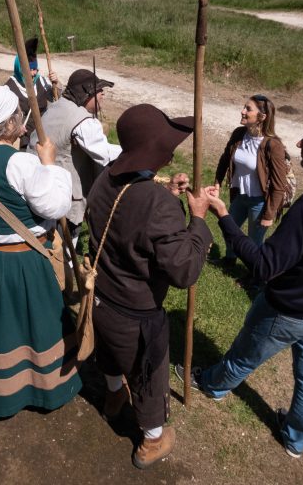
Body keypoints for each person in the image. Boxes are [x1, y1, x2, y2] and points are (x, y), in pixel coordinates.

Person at [179, 100, 303, 459]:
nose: (299, 146)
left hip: (288, 309)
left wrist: (223, 215)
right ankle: (297, 439)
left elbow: (263, 266)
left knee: (242, 357)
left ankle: (211, 384)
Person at [87, 104, 212, 470]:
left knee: (110, 356)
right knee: (148, 375)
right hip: (136, 313)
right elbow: (184, 270)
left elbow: (133, 225)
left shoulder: (105, 178)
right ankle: (151, 442)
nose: (170, 151)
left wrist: (169, 195)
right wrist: (199, 221)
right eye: (165, 145)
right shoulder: (156, 203)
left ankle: (113, 398)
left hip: (103, 300)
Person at [0, 85, 81, 417]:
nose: (23, 122)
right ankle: (36, 388)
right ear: (10, 125)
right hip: (18, 264)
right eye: (19, 117)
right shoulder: (19, 164)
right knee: (31, 325)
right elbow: (55, 205)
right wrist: (50, 165)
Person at [30, 68, 122, 248]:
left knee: (46, 237)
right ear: (87, 93)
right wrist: (135, 150)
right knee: (64, 246)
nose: (102, 94)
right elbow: (104, 154)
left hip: (36, 179)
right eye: (98, 91)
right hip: (61, 189)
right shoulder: (81, 120)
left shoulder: (58, 105)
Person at [212, 94, 289, 268]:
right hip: (240, 196)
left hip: (260, 202)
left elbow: (279, 184)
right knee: (228, 228)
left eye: (248, 109)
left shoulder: (273, 145)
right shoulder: (239, 134)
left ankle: (254, 275)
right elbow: (225, 159)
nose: (242, 111)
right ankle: (229, 260)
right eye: (244, 107)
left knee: (254, 242)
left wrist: (269, 215)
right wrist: (217, 181)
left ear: (262, 117)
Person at [4, 37, 58, 148]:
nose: (33, 73)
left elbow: (58, 99)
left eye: (35, 69)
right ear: (20, 68)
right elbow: (3, 117)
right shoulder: (9, 87)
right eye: (30, 69)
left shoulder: (42, 82)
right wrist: (15, 127)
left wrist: (56, 83)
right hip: (23, 141)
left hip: (43, 138)